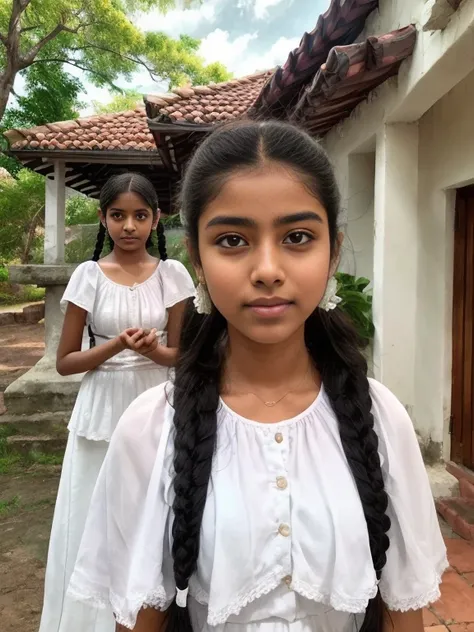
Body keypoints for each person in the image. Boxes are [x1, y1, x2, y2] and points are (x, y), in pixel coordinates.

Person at [68, 122, 448, 632]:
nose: (267, 269)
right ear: (197, 262)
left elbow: (406, 611)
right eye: (232, 239)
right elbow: (140, 618)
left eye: (297, 237)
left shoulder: (380, 419)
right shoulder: (152, 429)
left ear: (332, 252)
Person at [38, 172, 195, 632]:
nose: (129, 226)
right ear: (103, 219)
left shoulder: (173, 275)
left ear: (157, 220)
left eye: (140, 215)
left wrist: (152, 351)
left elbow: (181, 356)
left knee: (156, 508)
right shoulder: (88, 276)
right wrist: (118, 346)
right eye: (119, 215)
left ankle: (156, 614)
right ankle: (92, 619)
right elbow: (66, 362)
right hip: (102, 409)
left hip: (158, 399)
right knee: (97, 510)